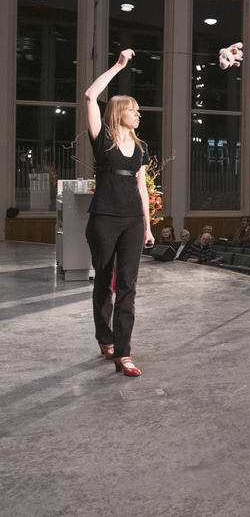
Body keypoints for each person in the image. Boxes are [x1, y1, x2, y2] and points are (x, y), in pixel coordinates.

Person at [83, 48, 153, 378]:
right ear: (119, 112)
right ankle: (104, 336)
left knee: (128, 286)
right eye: (133, 111)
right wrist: (119, 65)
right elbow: (90, 94)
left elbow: (142, 188)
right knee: (104, 283)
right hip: (103, 219)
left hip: (132, 222)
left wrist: (148, 226)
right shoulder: (102, 140)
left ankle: (124, 354)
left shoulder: (141, 147)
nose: (139, 116)